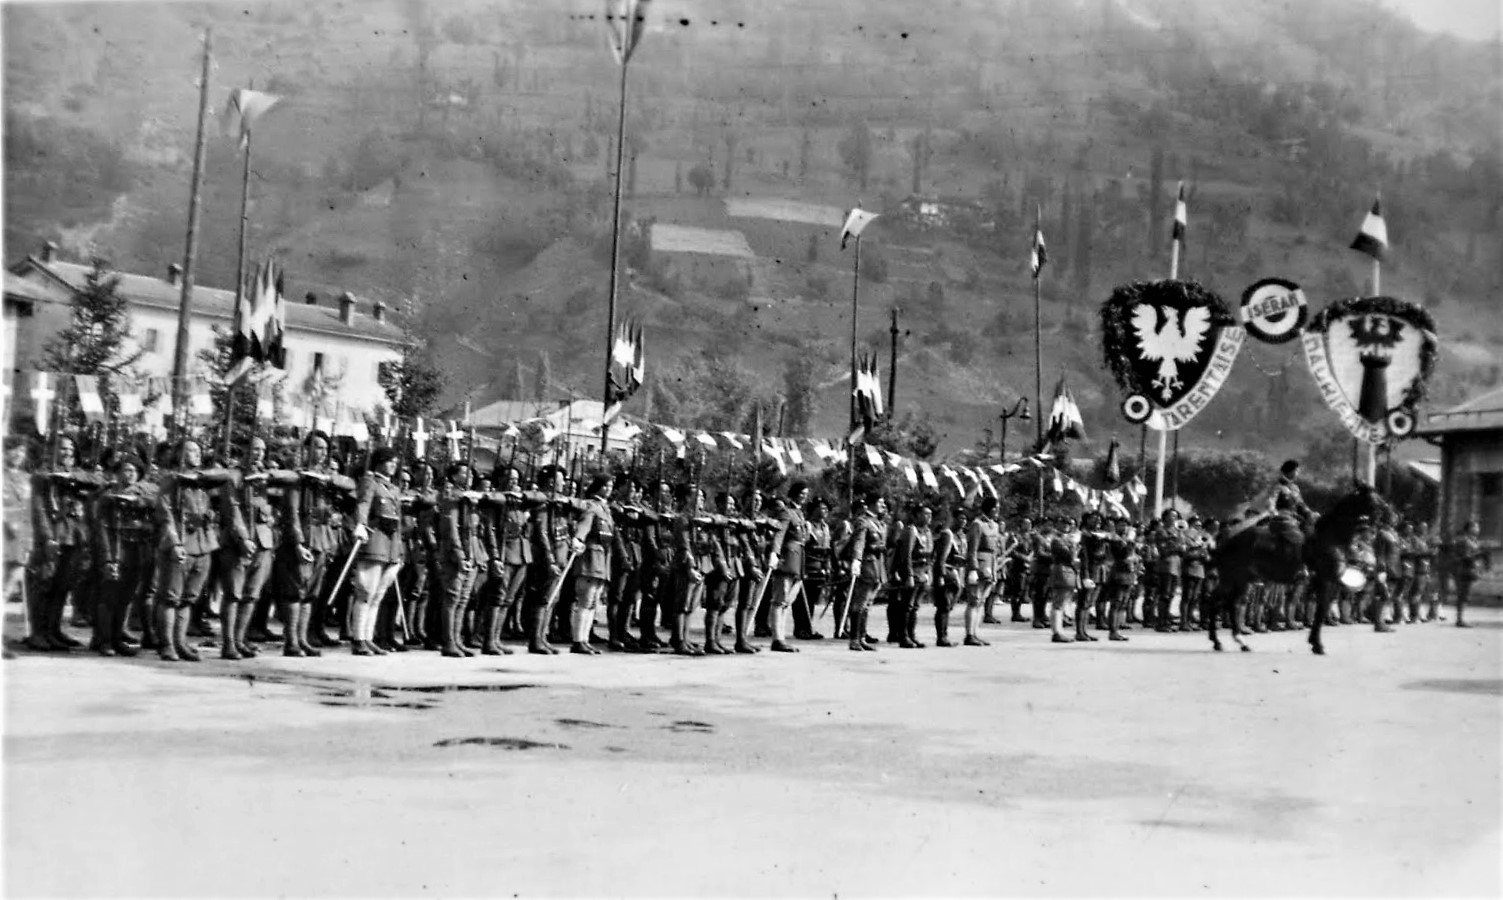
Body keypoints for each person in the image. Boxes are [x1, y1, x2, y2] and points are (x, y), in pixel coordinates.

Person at [154, 438, 231, 662]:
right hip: (181, 543)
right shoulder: (171, 480)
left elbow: (227, 475)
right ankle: (167, 644)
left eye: (198, 450)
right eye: (190, 451)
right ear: (179, 454)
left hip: (203, 543)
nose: (196, 454)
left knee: (188, 598)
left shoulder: (203, 479)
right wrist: (175, 543)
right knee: (171, 597)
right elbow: (165, 514)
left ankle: (180, 641)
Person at [217, 437, 285, 660]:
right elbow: (232, 511)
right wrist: (243, 538)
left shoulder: (264, 476)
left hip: (264, 541)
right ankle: (228, 644)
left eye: (262, 450)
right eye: (254, 449)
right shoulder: (234, 476)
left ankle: (240, 639)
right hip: (239, 542)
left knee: (252, 595)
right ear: (245, 450)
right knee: (234, 594)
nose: (259, 453)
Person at [91, 451, 158, 657]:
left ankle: (118, 636)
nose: (129, 474)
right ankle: (104, 640)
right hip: (115, 549)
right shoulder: (108, 496)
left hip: (136, 550)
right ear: (118, 472)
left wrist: (141, 510)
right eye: (125, 470)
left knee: (127, 597)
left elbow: (156, 507)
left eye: (134, 471)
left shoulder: (144, 495)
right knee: (109, 596)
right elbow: (101, 527)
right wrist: (107, 558)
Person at [567, 474, 614, 655]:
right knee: (585, 600)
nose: (608, 489)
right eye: (605, 486)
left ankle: (585, 639)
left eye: (610, 486)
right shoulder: (592, 506)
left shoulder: (605, 508)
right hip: (590, 556)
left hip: (602, 558)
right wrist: (578, 538)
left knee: (594, 602)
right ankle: (578, 640)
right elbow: (584, 526)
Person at [766, 482, 811, 653]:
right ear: (794, 494)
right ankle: (777, 638)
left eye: (805, 493)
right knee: (780, 599)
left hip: (798, 560)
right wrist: (774, 553)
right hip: (788, 559)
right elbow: (780, 534)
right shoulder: (786, 512)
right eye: (801, 493)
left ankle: (781, 637)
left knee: (788, 600)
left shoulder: (799, 513)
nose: (804, 496)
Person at [844, 492, 889, 652]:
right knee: (860, 602)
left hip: (877, 565)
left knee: (867, 604)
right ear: (871, 504)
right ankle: (854, 639)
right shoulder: (863, 521)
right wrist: (856, 559)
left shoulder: (879, 522)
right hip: (867, 564)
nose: (883, 506)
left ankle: (862, 637)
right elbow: (859, 542)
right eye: (880, 503)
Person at [890, 501, 933, 649]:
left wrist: (928, 573)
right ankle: (904, 636)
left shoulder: (927, 532)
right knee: (907, 605)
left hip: (922, 571)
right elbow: (906, 554)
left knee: (915, 606)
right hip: (912, 571)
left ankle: (912, 635)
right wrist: (908, 575)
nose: (929, 517)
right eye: (925, 514)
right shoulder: (911, 530)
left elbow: (929, 555)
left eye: (930, 514)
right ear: (916, 515)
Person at [963, 496, 1002, 647]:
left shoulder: (994, 526)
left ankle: (975, 632)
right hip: (979, 565)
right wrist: (972, 569)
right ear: (990, 509)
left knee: (981, 601)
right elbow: (972, 549)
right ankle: (969, 634)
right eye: (996, 508)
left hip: (990, 564)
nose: (997, 512)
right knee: (974, 600)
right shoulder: (977, 524)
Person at [794, 496, 831, 641]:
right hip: (807, 566)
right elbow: (802, 547)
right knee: (802, 600)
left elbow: (828, 549)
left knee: (813, 599)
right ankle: (800, 628)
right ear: (813, 509)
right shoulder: (807, 526)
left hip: (820, 567)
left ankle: (808, 627)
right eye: (822, 508)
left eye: (826, 508)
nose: (825, 511)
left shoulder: (825, 527)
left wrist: (828, 567)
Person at [1453, 520, 1489, 628]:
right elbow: (1465, 557)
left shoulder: (1473, 540)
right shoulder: (1464, 541)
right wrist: (1479, 554)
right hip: (1464, 570)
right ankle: (1459, 620)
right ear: (1469, 528)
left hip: (1471, 570)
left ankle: (1461, 618)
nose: (1478, 529)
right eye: (1475, 527)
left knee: (1465, 595)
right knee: (1463, 595)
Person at [1004, 516, 1033, 623]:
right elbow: (1011, 551)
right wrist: (1024, 558)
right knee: (1017, 590)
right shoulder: (1015, 537)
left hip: (1027, 567)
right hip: (1017, 567)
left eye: (1030, 523)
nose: (1029, 526)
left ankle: (1019, 612)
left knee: (1023, 591)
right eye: (1026, 523)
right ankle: (1015, 613)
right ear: (1021, 525)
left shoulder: (1030, 537)